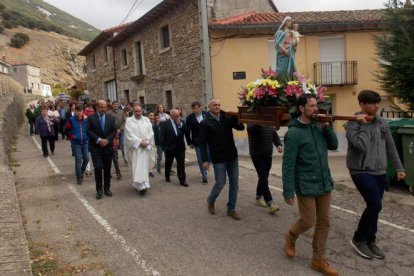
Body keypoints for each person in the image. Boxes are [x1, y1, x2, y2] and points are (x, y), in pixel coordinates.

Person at [282, 94, 338, 276]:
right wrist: (288, 190)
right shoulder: (294, 133)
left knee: (324, 222)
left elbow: (334, 145)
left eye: (316, 105)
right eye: (312, 106)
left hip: (324, 182)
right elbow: (288, 164)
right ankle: (291, 236)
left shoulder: (319, 126)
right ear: (301, 108)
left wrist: (327, 128)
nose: (316, 109)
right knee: (308, 221)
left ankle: (318, 260)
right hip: (305, 184)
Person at [345, 90, 406, 259]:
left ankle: (370, 240)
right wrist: (363, 124)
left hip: (380, 171)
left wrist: (399, 168)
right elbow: (360, 147)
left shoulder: (382, 123)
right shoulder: (352, 124)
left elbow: (390, 147)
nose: (377, 106)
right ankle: (358, 239)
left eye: (377, 102)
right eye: (372, 103)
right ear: (362, 105)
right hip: (361, 170)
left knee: (375, 207)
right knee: (374, 205)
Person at [200, 98, 245, 220]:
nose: (217, 107)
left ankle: (231, 209)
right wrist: (205, 160)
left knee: (234, 183)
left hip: (231, 156)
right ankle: (211, 200)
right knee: (221, 182)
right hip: (218, 157)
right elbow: (202, 143)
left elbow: (241, 128)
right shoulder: (205, 122)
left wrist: (235, 116)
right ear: (209, 107)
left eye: (219, 105)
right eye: (215, 105)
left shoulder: (226, 118)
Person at [247, 124, 283, 214]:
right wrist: (259, 122)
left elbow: (274, 134)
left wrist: (278, 144)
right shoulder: (253, 120)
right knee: (263, 177)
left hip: (267, 154)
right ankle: (270, 203)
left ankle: (258, 198)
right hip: (256, 154)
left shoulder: (269, 122)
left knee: (264, 177)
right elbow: (250, 129)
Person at [86, 100, 117, 200]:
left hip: (107, 147)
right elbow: (88, 131)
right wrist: (98, 140)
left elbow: (114, 131)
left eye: (105, 107)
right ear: (97, 107)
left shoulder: (110, 118)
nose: (103, 109)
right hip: (96, 147)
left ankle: (107, 188)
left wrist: (107, 140)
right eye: (101, 107)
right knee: (98, 168)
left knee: (107, 169)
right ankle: (99, 190)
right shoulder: (91, 118)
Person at [124, 104, 154, 195]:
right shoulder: (129, 121)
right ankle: (139, 186)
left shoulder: (146, 120)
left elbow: (151, 132)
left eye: (139, 111)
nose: (138, 113)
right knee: (137, 166)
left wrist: (147, 141)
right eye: (136, 111)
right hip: (136, 148)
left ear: (142, 111)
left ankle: (144, 185)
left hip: (145, 147)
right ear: (133, 112)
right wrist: (140, 142)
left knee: (144, 166)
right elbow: (129, 134)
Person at [159, 109, 188, 187]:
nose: (178, 117)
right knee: (168, 163)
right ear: (171, 116)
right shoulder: (165, 124)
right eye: (176, 116)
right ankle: (167, 176)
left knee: (181, 164)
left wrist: (180, 125)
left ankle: (182, 180)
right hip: (169, 148)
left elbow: (186, 131)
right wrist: (165, 147)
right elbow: (162, 137)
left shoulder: (182, 122)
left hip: (180, 147)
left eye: (179, 115)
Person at [185, 101, 210, 184]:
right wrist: (189, 142)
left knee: (209, 156)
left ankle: (206, 165)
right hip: (197, 142)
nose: (196, 110)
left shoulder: (206, 115)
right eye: (194, 109)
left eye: (197, 108)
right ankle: (204, 176)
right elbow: (187, 131)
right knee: (200, 159)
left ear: (200, 108)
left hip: (208, 140)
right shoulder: (189, 118)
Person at [65, 104, 89, 185]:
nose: (79, 113)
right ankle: (79, 177)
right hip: (76, 143)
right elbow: (66, 129)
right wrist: (72, 137)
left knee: (86, 159)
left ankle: (81, 171)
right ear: (75, 112)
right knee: (78, 159)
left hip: (85, 142)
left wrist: (88, 136)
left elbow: (89, 129)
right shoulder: (71, 120)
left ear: (83, 111)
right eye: (78, 111)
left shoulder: (86, 120)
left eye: (81, 111)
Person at [107, 101, 126, 179]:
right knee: (110, 157)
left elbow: (124, 121)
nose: (116, 105)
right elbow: (107, 124)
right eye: (114, 104)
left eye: (117, 104)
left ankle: (119, 172)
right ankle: (109, 173)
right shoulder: (108, 113)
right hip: (112, 136)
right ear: (112, 105)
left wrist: (120, 129)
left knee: (121, 147)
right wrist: (114, 131)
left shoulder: (121, 112)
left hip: (120, 132)